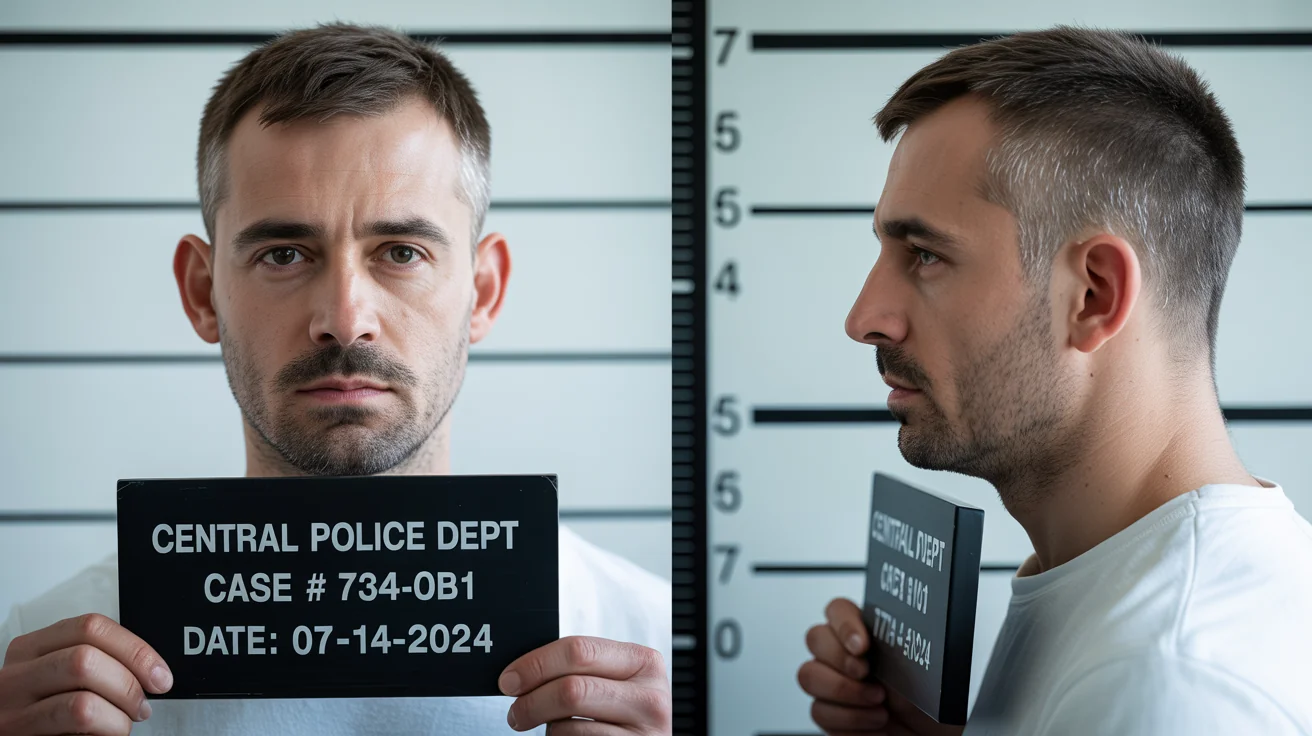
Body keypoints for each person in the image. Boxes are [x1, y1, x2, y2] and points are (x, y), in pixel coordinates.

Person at [0, 23, 671, 736]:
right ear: (203, 293)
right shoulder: (44, 678)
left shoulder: (650, 647)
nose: (345, 320)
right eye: (285, 253)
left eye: (402, 251)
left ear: (484, 292)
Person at [797, 26, 1312, 736]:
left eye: (924, 255)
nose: (865, 318)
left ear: (1093, 295)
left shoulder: (1172, 684)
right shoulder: (1126, 593)